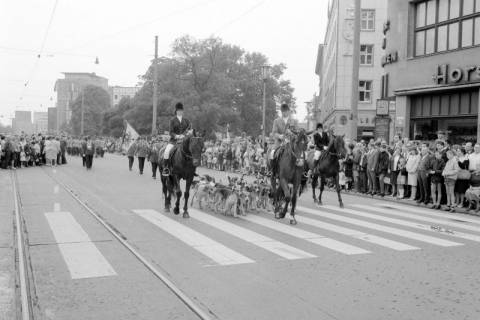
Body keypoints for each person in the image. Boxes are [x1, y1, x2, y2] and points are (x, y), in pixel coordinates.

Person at [163, 102, 192, 176]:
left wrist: (185, 135)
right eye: (179, 110)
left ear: (183, 111)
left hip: (184, 141)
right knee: (166, 152)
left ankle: (192, 169)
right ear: (176, 111)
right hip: (174, 141)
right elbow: (171, 132)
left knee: (192, 151)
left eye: (181, 110)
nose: (180, 112)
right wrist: (177, 136)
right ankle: (166, 168)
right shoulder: (172, 120)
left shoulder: (187, 120)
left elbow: (189, 130)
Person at [269, 103, 298, 176]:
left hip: (291, 143)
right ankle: (273, 171)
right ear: (281, 112)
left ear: (288, 111)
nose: (284, 113)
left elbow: (297, 133)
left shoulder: (294, 121)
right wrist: (280, 136)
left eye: (285, 111)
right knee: (272, 153)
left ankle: (301, 173)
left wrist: (291, 133)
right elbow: (274, 133)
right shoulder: (276, 121)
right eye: (283, 111)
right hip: (279, 143)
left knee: (300, 155)